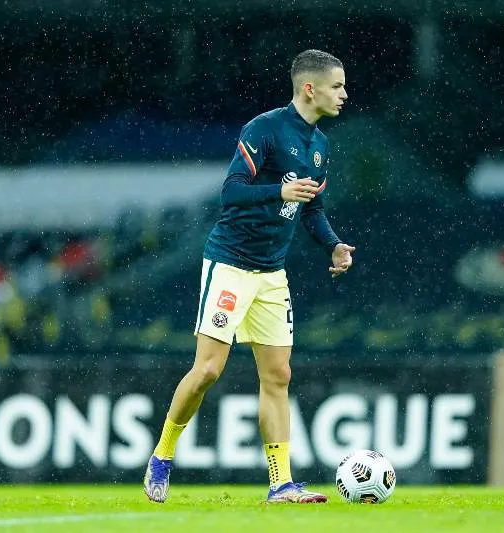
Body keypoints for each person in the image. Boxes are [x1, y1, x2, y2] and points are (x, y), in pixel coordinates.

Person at [143, 49, 354, 504]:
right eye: (337, 86)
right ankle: (162, 456)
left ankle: (281, 483)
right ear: (310, 88)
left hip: (271, 273)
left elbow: (311, 207)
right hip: (231, 264)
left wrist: (333, 244)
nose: (344, 94)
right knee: (207, 371)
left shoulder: (321, 146)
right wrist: (278, 189)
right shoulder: (264, 129)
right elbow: (231, 191)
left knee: (278, 376)